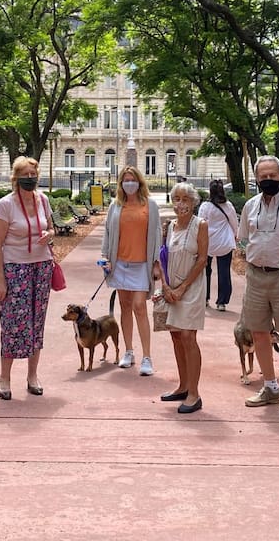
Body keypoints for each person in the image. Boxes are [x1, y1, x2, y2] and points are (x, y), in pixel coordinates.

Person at [237, 155, 279, 411]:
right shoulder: (250, 205)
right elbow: (244, 237)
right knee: (258, 332)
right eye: (263, 176)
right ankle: (270, 386)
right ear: (256, 179)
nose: (267, 180)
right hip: (255, 276)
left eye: (272, 176)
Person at [0, 156, 57, 400]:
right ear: (16, 178)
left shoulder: (43, 200)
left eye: (33, 174)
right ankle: (4, 377)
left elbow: (52, 228)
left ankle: (32, 375)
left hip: (41, 267)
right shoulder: (6, 204)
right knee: (13, 324)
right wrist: (0, 279)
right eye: (25, 175)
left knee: (37, 322)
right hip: (15, 269)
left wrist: (49, 234)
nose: (30, 178)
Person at [101, 165, 162, 376]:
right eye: (125, 180)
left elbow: (157, 233)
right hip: (120, 263)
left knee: (139, 306)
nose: (129, 183)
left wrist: (156, 262)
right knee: (125, 306)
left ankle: (147, 357)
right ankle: (128, 351)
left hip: (141, 264)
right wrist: (105, 257)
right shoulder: (116, 205)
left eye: (132, 180)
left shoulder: (150, 205)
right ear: (121, 184)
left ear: (139, 182)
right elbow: (108, 232)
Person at [158, 181, 209, 414]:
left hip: (192, 287)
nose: (181, 204)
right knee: (176, 335)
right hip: (171, 287)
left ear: (193, 202)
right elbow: (162, 257)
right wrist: (165, 286)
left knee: (188, 336)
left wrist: (182, 288)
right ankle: (183, 386)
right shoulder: (169, 226)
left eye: (185, 199)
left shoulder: (201, 225)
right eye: (177, 199)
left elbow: (202, 259)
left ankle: (194, 394)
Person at [198, 179, 239, 311]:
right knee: (224, 271)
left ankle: (204, 298)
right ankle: (221, 302)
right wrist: (236, 235)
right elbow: (234, 222)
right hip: (224, 242)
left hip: (208, 242)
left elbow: (200, 223)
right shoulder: (228, 206)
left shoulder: (205, 206)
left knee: (205, 270)